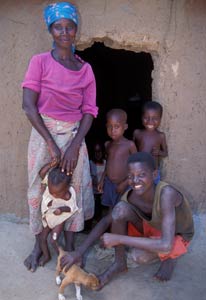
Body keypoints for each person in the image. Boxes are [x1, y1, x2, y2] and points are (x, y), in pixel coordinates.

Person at [22, 2, 98, 272]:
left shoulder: (85, 69)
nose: (64, 32)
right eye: (58, 27)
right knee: (38, 189)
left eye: (69, 26)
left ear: (76, 30)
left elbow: (89, 110)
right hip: (44, 135)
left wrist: (75, 145)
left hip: (75, 137)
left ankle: (70, 249)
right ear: (50, 30)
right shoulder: (39, 62)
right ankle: (38, 245)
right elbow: (29, 105)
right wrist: (52, 144)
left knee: (73, 191)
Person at [99, 152, 194, 288]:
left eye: (141, 175)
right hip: (155, 226)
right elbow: (107, 220)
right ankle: (119, 263)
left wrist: (118, 239)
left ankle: (171, 258)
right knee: (119, 209)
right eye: (131, 176)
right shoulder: (132, 195)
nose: (135, 180)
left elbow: (165, 245)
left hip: (176, 234)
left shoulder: (167, 194)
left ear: (154, 175)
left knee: (139, 256)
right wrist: (78, 252)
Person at [39, 162, 79, 266]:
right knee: (42, 238)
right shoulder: (51, 182)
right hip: (48, 217)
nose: (54, 195)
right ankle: (46, 256)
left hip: (58, 220)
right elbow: (41, 173)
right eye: (52, 192)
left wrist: (61, 209)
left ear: (66, 188)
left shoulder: (68, 195)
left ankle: (63, 258)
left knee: (53, 240)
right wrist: (50, 165)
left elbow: (71, 208)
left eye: (57, 193)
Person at [99, 108, 137, 209]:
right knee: (110, 209)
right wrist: (102, 180)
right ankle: (110, 225)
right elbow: (108, 164)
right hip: (109, 183)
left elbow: (137, 167)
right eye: (109, 126)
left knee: (123, 208)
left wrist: (125, 183)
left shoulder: (129, 145)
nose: (113, 130)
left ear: (125, 127)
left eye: (117, 126)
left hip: (124, 183)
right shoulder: (108, 145)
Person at [133, 101, 168, 183]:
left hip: (153, 172)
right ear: (141, 117)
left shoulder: (160, 136)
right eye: (146, 117)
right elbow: (132, 150)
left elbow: (165, 153)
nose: (150, 121)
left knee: (153, 192)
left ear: (160, 119)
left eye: (155, 118)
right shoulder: (137, 133)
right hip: (139, 171)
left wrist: (159, 152)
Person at [89, 141, 106, 222]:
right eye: (95, 151)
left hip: (104, 192)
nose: (97, 154)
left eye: (99, 151)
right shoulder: (90, 163)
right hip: (93, 192)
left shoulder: (106, 163)